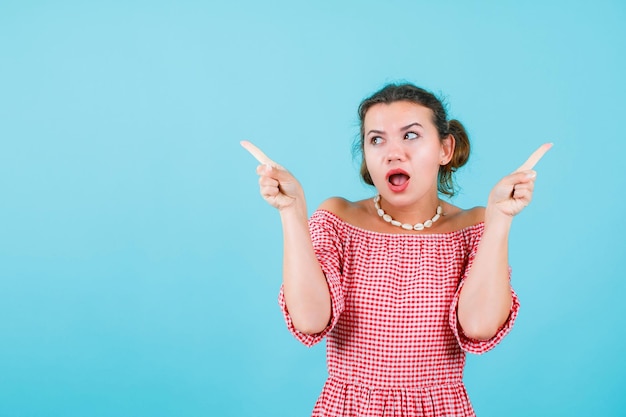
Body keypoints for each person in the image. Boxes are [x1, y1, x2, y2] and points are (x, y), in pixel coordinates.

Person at [241, 83, 551, 417]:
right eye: (376, 139)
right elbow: (309, 320)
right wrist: (292, 212)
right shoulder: (337, 218)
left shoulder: (475, 226)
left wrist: (501, 218)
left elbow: (479, 326)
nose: (393, 153)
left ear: (445, 148)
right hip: (348, 409)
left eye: (411, 135)